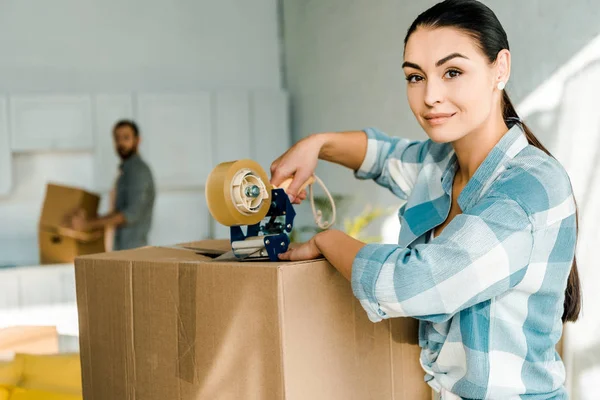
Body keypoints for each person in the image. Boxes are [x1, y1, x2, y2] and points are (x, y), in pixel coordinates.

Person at [270, 1, 581, 398]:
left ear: (499, 68)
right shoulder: (441, 164)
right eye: (415, 77)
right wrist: (317, 144)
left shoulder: (530, 188)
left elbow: (418, 285)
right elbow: (382, 155)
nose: (431, 95)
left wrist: (325, 239)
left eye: (452, 72)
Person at [69, 119, 155, 251]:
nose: (120, 143)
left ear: (137, 140)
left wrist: (88, 224)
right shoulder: (125, 171)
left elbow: (129, 214)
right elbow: (118, 212)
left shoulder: (138, 171)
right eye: (117, 138)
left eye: (126, 138)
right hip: (124, 251)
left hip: (134, 253)